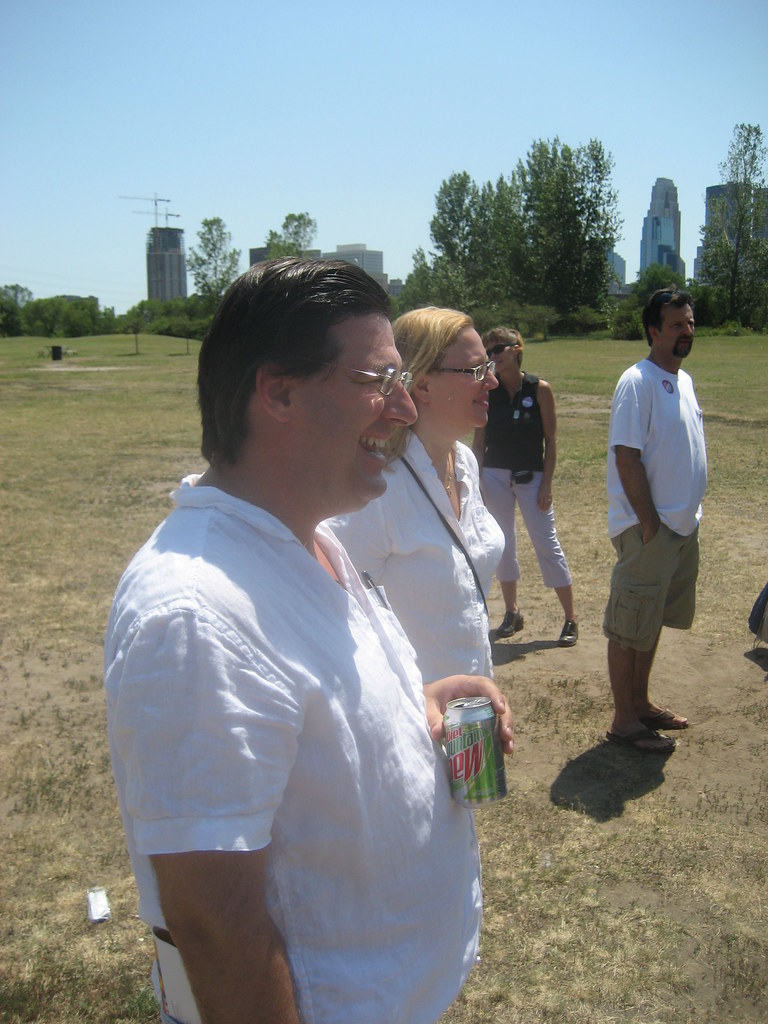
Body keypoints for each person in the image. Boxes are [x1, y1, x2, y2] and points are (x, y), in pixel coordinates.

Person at [104, 258, 514, 1024]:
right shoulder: (196, 615)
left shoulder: (307, 537)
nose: (403, 409)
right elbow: (216, 926)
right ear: (279, 392)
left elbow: (311, 718)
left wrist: (420, 703)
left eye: (403, 382)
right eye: (378, 382)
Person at [329, 306, 506, 681]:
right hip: (413, 706)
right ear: (423, 386)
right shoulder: (375, 489)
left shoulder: (464, 462)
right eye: (476, 371)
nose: (492, 381)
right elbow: (343, 621)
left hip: (472, 698)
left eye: (489, 368)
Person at [603, 287, 707, 754]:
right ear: (653, 331)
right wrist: (648, 525)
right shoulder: (637, 381)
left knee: (651, 618)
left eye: (690, 323)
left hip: (680, 529)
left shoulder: (683, 380)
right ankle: (624, 720)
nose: (687, 331)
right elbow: (627, 457)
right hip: (650, 531)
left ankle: (641, 703)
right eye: (676, 325)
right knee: (629, 624)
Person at [473, 326, 578, 647]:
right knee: (502, 544)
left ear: (516, 349)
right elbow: (478, 441)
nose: (492, 356)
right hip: (494, 475)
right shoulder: (485, 390)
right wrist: (475, 480)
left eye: (498, 349)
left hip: (531, 476)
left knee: (547, 543)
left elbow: (551, 440)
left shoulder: (539, 389)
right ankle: (512, 612)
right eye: (488, 352)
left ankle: (571, 618)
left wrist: (547, 483)